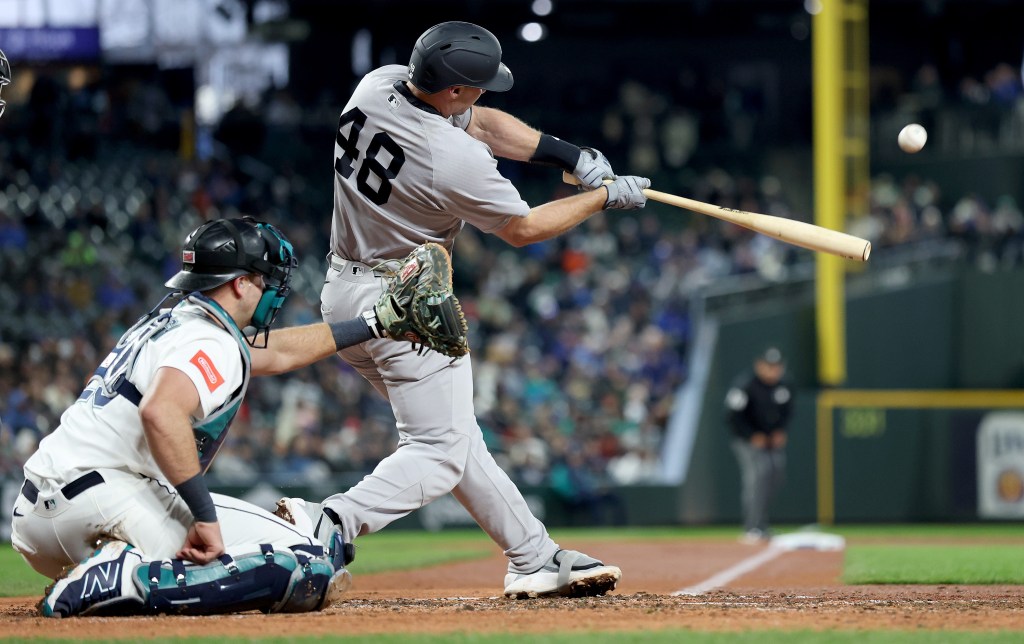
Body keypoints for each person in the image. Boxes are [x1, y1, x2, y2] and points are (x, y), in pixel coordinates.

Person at [314, 21, 650, 599]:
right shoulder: (449, 158)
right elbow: (523, 228)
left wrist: (571, 157)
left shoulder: (378, 84)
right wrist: (600, 197)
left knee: (455, 438)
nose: (484, 94)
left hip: (345, 288)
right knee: (440, 452)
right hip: (407, 300)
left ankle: (534, 557)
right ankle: (329, 526)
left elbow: (483, 124)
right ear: (453, 91)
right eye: (476, 86)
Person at [12, 217, 404, 617]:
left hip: (43, 515)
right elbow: (161, 412)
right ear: (240, 283)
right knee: (306, 568)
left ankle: (119, 563)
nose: (273, 289)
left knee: (308, 554)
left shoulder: (180, 321)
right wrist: (205, 518)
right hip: (103, 499)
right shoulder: (210, 339)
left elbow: (280, 352)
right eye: (266, 279)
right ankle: (125, 578)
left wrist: (375, 322)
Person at [724, 346, 793, 544]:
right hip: (746, 442)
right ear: (759, 365)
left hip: (771, 441)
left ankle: (762, 524)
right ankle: (751, 527)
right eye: (770, 366)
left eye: (777, 366)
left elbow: (788, 411)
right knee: (758, 474)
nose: (774, 370)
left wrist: (781, 430)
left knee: (776, 475)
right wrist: (751, 435)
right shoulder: (745, 385)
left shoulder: (784, 385)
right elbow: (731, 416)